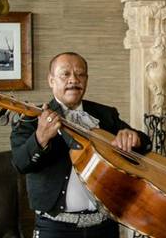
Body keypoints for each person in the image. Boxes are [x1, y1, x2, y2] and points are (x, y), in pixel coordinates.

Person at [11, 52, 153, 237]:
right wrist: (41, 137)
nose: (74, 79)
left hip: (104, 227)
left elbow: (144, 144)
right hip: (54, 228)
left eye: (80, 74)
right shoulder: (31, 118)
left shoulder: (105, 114)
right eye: (65, 74)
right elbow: (20, 164)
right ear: (51, 80)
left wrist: (135, 137)